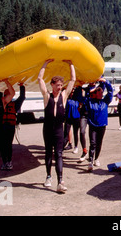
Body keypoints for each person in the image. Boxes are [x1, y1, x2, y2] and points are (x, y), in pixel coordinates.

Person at [38, 59, 75, 194]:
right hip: (47, 129)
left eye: (61, 85)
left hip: (59, 130)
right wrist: (45, 63)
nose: (59, 87)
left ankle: (60, 181)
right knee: (48, 153)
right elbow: (39, 78)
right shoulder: (46, 96)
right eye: (57, 85)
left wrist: (70, 64)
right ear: (52, 85)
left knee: (59, 154)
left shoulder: (64, 96)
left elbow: (72, 80)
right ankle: (48, 176)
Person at [83, 78, 113, 172]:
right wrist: (90, 87)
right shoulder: (90, 102)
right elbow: (85, 96)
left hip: (102, 126)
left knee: (99, 143)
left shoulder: (105, 101)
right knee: (93, 143)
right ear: (95, 94)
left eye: (101, 93)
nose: (101, 94)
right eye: (99, 93)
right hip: (93, 126)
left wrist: (106, 82)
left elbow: (110, 92)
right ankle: (90, 161)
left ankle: (96, 159)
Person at [1, 83, 25, 170]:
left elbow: (22, 97)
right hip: (2, 126)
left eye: (8, 95)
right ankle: (4, 162)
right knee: (2, 145)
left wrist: (22, 87)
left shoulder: (15, 104)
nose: (7, 96)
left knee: (8, 145)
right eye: (5, 95)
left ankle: (9, 161)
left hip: (10, 127)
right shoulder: (1, 103)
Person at [63, 87, 80, 154]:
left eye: (73, 92)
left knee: (76, 133)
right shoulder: (67, 99)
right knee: (66, 133)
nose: (72, 94)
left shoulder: (77, 99)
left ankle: (76, 147)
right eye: (71, 92)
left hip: (76, 118)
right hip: (68, 118)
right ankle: (61, 148)